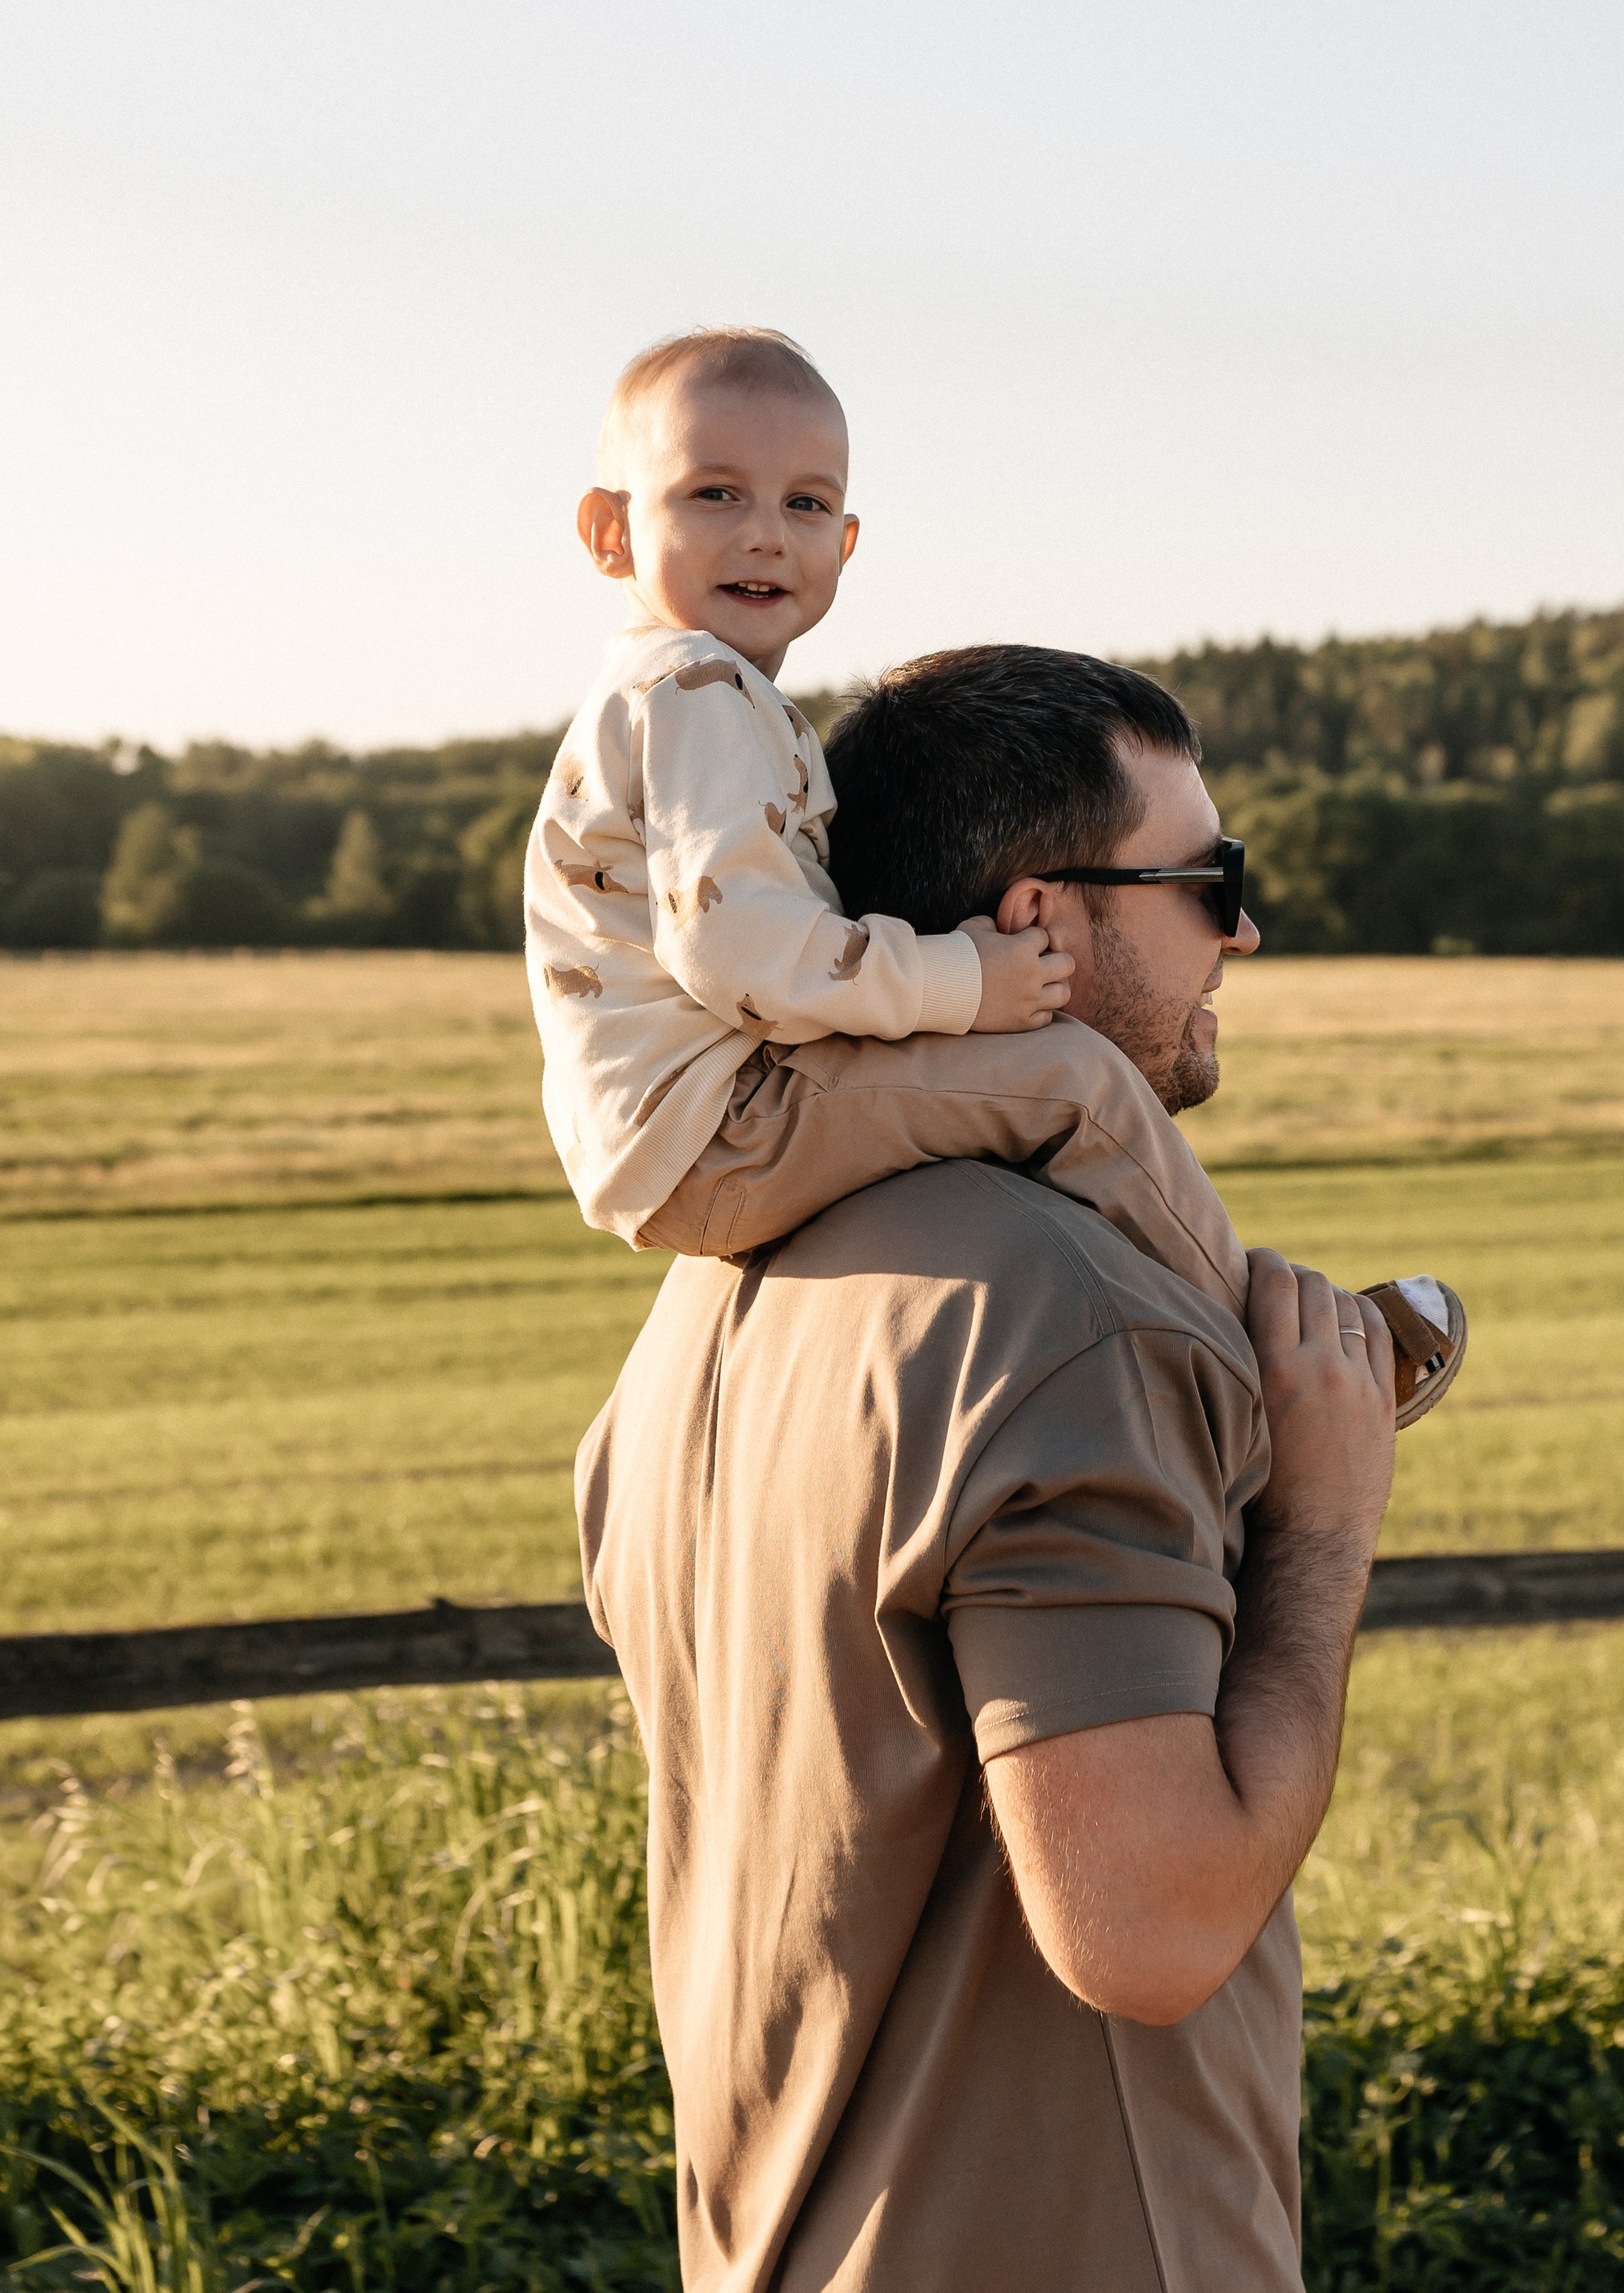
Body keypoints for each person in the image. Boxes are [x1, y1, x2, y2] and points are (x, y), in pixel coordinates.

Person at [575, 642, 1401, 2290]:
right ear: (1034, 920)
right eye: (1204, 879)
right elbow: (1150, 1930)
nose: (1238, 928)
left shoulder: (701, 1313)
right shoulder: (1076, 1317)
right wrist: (1318, 1526)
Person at [528, 322, 1465, 1398]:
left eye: (806, 504)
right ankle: (1282, 1373)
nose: (765, 537)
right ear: (608, 533)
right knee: (1072, 1082)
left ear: (848, 541)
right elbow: (734, 947)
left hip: (683, 1130)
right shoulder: (696, 692)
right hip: (721, 1122)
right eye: (714, 495)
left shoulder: (681, 700)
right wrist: (964, 979)